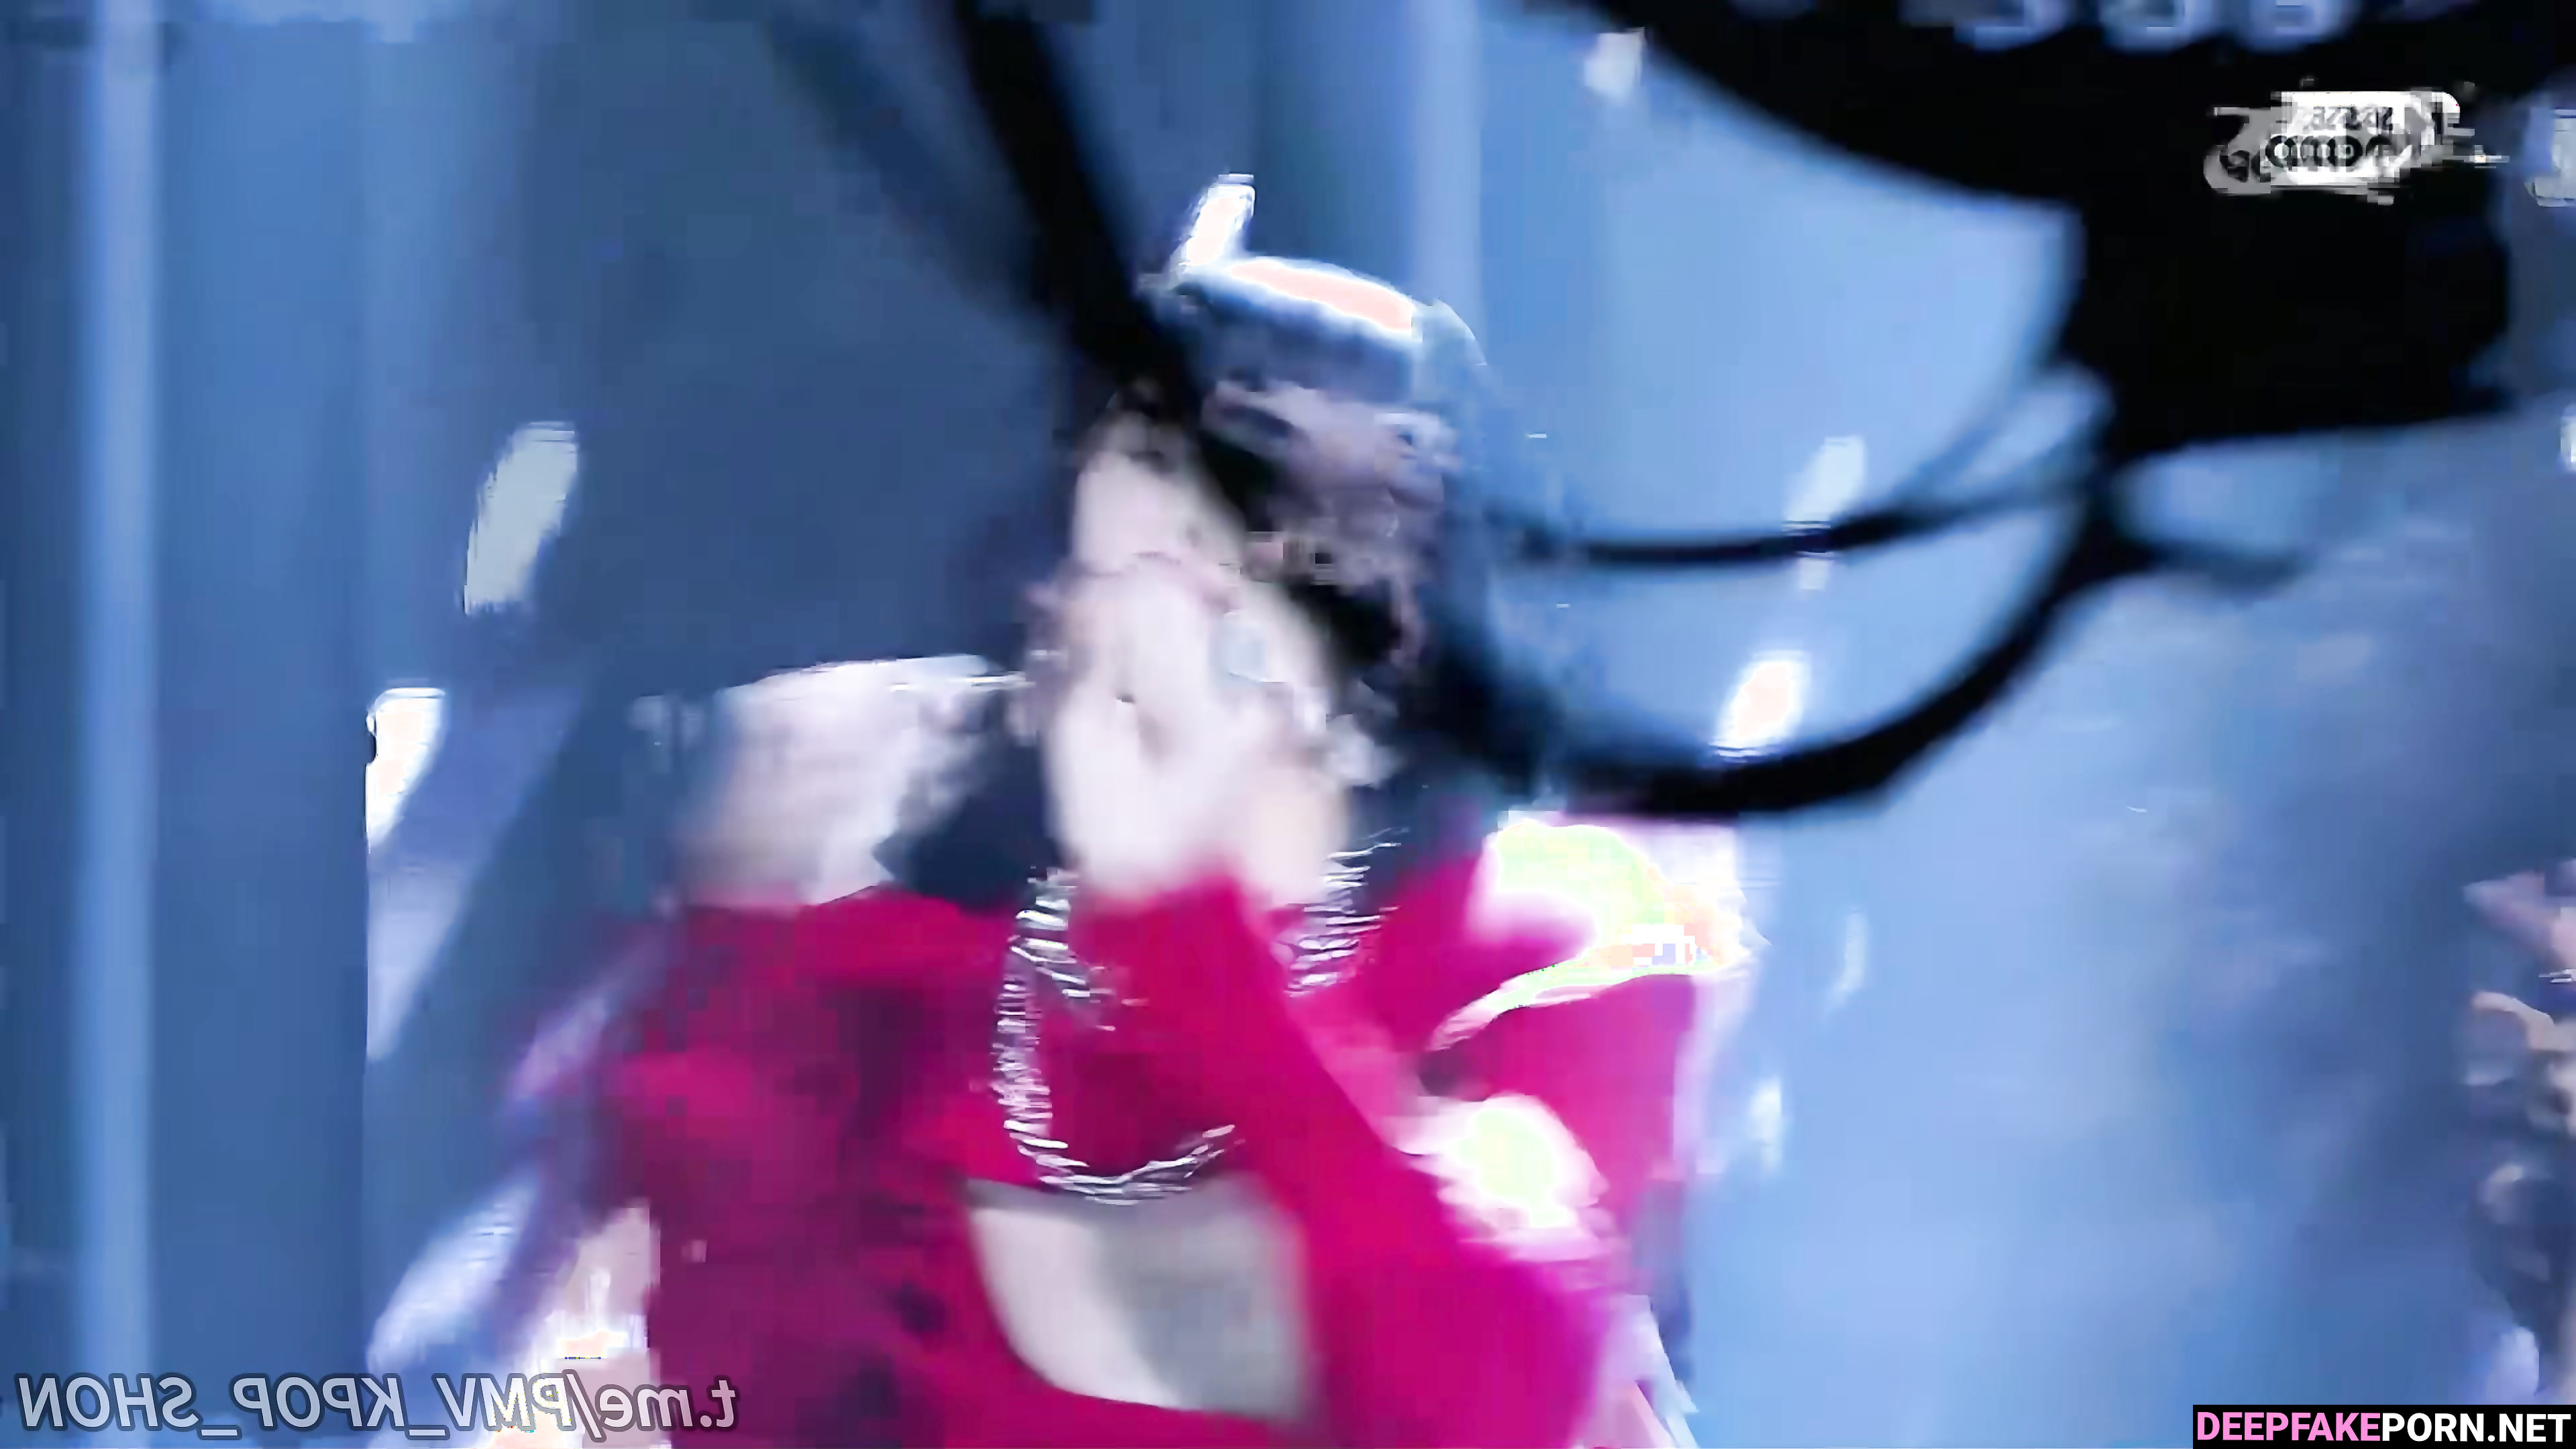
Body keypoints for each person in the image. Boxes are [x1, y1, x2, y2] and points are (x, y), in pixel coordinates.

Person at [543, 178, 1748, 1447]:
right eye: (1161, 467)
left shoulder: (1540, 943)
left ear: (1404, 630)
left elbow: (1488, 1394)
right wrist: (751, 935)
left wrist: (1188, 932)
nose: (1202, 559)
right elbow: (743, 1403)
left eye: (1289, 511)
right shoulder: (919, 988)